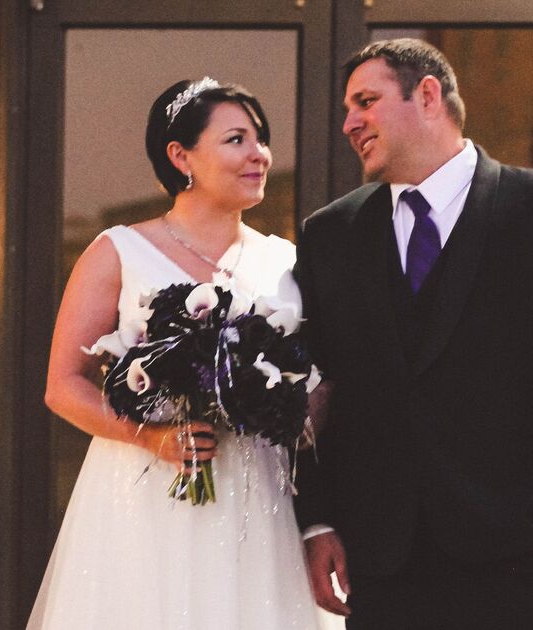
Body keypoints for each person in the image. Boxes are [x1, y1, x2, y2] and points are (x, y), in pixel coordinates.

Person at [293, 38, 533, 629]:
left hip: (518, 552)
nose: (349, 123)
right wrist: (318, 521)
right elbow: (310, 387)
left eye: (366, 102)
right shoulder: (331, 233)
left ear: (428, 95)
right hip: (380, 563)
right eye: (347, 110)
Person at [27, 78, 327, 629]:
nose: (259, 154)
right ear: (180, 156)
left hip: (257, 498)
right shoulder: (118, 251)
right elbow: (63, 385)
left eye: (261, 139)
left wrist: (290, 412)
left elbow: (315, 382)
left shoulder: (284, 261)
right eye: (236, 139)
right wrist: (150, 436)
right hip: (146, 491)